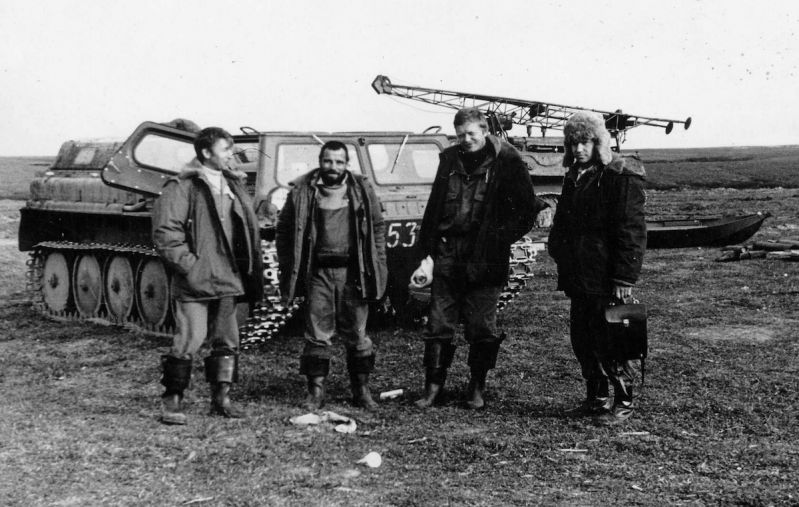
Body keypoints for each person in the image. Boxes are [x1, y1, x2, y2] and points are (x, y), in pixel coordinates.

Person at [410, 107, 542, 410]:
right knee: (438, 322)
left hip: (485, 255)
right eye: (461, 135)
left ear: (484, 130)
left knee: (481, 325)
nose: (466, 139)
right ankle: (433, 388)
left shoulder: (507, 160)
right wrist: (426, 250)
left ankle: (476, 387)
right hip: (449, 252)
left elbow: (526, 210)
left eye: (472, 133)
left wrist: (498, 239)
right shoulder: (449, 159)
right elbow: (435, 205)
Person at [152, 127, 263, 425]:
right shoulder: (182, 186)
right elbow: (166, 234)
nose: (230, 155)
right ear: (205, 152)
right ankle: (172, 401)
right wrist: (191, 267)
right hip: (196, 280)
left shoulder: (233, 184)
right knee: (190, 338)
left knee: (228, 339)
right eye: (225, 149)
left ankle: (221, 400)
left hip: (228, 277)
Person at [547, 111, 647, 425]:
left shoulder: (619, 175)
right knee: (583, 340)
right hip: (580, 274)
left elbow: (631, 230)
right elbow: (564, 222)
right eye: (573, 142)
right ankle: (597, 398)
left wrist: (624, 277)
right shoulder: (574, 176)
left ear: (599, 142)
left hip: (606, 275)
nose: (578, 148)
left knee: (612, 339)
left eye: (585, 142)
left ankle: (624, 401)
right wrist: (558, 250)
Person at [276, 141, 388, 411]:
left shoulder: (361, 189)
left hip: (353, 273)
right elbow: (285, 230)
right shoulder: (303, 190)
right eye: (328, 161)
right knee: (317, 333)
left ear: (347, 164)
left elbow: (377, 228)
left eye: (339, 162)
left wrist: (379, 265)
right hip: (318, 274)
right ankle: (316, 392)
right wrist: (290, 264)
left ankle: (361, 390)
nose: (333, 167)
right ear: (320, 161)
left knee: (358, 333)